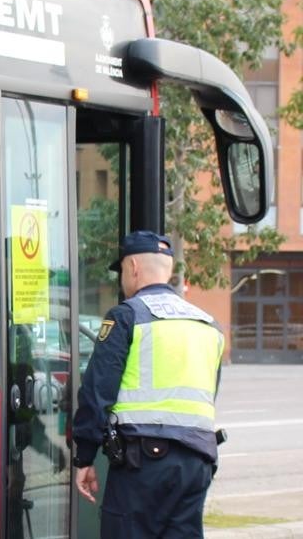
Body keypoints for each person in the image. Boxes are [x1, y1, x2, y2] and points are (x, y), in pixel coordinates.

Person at [72, 230, 224, 538]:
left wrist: (84, 457)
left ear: (133, 267)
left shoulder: (127, 316)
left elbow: (97, 390)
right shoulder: (208, 325)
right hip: (197, 462)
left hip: (143, 464)